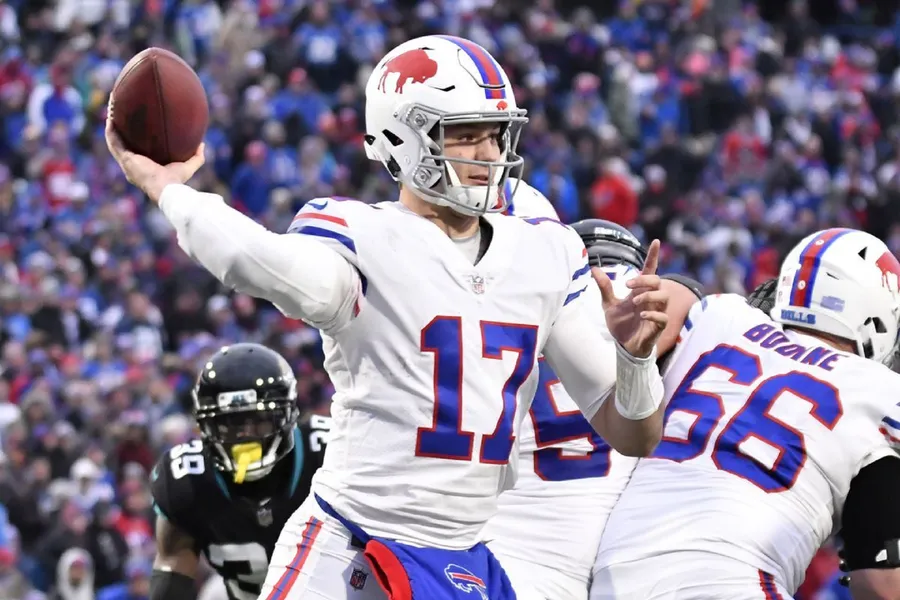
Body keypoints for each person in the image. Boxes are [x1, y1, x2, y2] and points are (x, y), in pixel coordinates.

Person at [107, 35, 670, 600]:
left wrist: (636, 359)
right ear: (403, 137)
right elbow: (253, 260)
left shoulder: (546, 251)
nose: (488, 153)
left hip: (464, 556)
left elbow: (635, 435)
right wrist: (169, 190)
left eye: (496, 133)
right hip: (351, 549)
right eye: (465, 134)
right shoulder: (363, 237)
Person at [591, 228, 900, 599]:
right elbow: (882, 586)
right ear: (876, 317)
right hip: (737, 581)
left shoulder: (718, 316)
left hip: (613, 577)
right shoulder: (880, 391)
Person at [483, 218, 703, 600]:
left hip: (498, 549)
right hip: (603, 571)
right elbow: (692, 296)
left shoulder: (524, 304)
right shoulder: (659, 315)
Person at [149, 343, 330, 600]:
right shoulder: (187, 479)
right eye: (230, 423)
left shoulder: (329, 452)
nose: (246, 436)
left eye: (259, 421)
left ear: (287, 414)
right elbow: (172, 572)